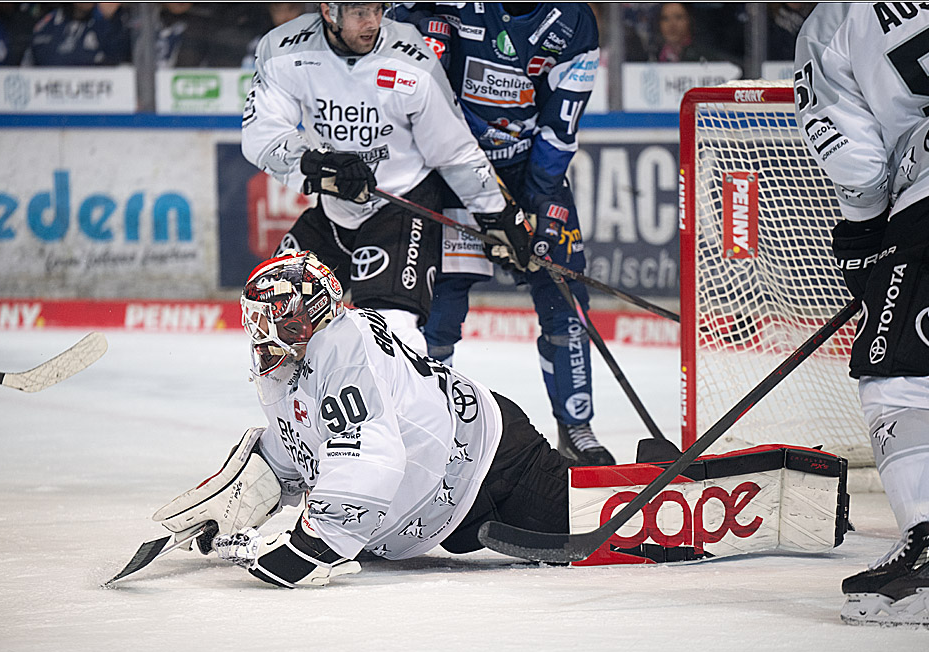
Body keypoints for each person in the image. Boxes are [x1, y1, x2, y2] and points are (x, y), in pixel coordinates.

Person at [152, 250, 574, 587]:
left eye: (275, 317)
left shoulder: (342, 347)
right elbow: (296, 441)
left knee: (595, 521)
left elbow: (367, 453)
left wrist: (313, 546)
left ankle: (636, 488)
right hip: (437, 505)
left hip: (497, 463)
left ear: (312, 315)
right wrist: (245, 491)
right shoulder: (288, 359)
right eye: (256, 318)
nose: (261, 332)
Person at [794, 3, 929, 629]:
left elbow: (853, 156)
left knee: (896, 375)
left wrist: (864, 238)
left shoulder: (834, 21)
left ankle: (928, 549)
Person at [241, 2, 535, 356]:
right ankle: (302, 408)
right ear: (329, 12)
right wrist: (319, 166)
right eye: (360, 13)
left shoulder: (412, 59)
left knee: (389, 328)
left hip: (402, 203)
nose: (373, 22)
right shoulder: (285, 50)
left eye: (379, 9)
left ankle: (406, 408)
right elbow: (262, 134)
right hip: (335, 209)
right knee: (279, 310)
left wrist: (499, 216)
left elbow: (453, 151)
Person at [398, 3, 616, 466]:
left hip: (529, 174)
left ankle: (576, 427)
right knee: (441, 305)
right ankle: (434, 429)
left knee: (565, 295)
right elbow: (410, 70)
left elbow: (560, 129)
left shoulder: (574, 22)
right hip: (452, 170)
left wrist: (538, 204)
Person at [26, 2, 132, 66]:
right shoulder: (51, 21)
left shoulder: (116, 20)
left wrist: (106, 20)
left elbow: (118, 57)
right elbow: (42, 59)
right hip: (55, 93)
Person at [649, 2, 733, 64]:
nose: (672, 25)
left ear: (689, 20)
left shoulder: (705, 56)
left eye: (678, 17)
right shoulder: (652, 55)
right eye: (665, 18)